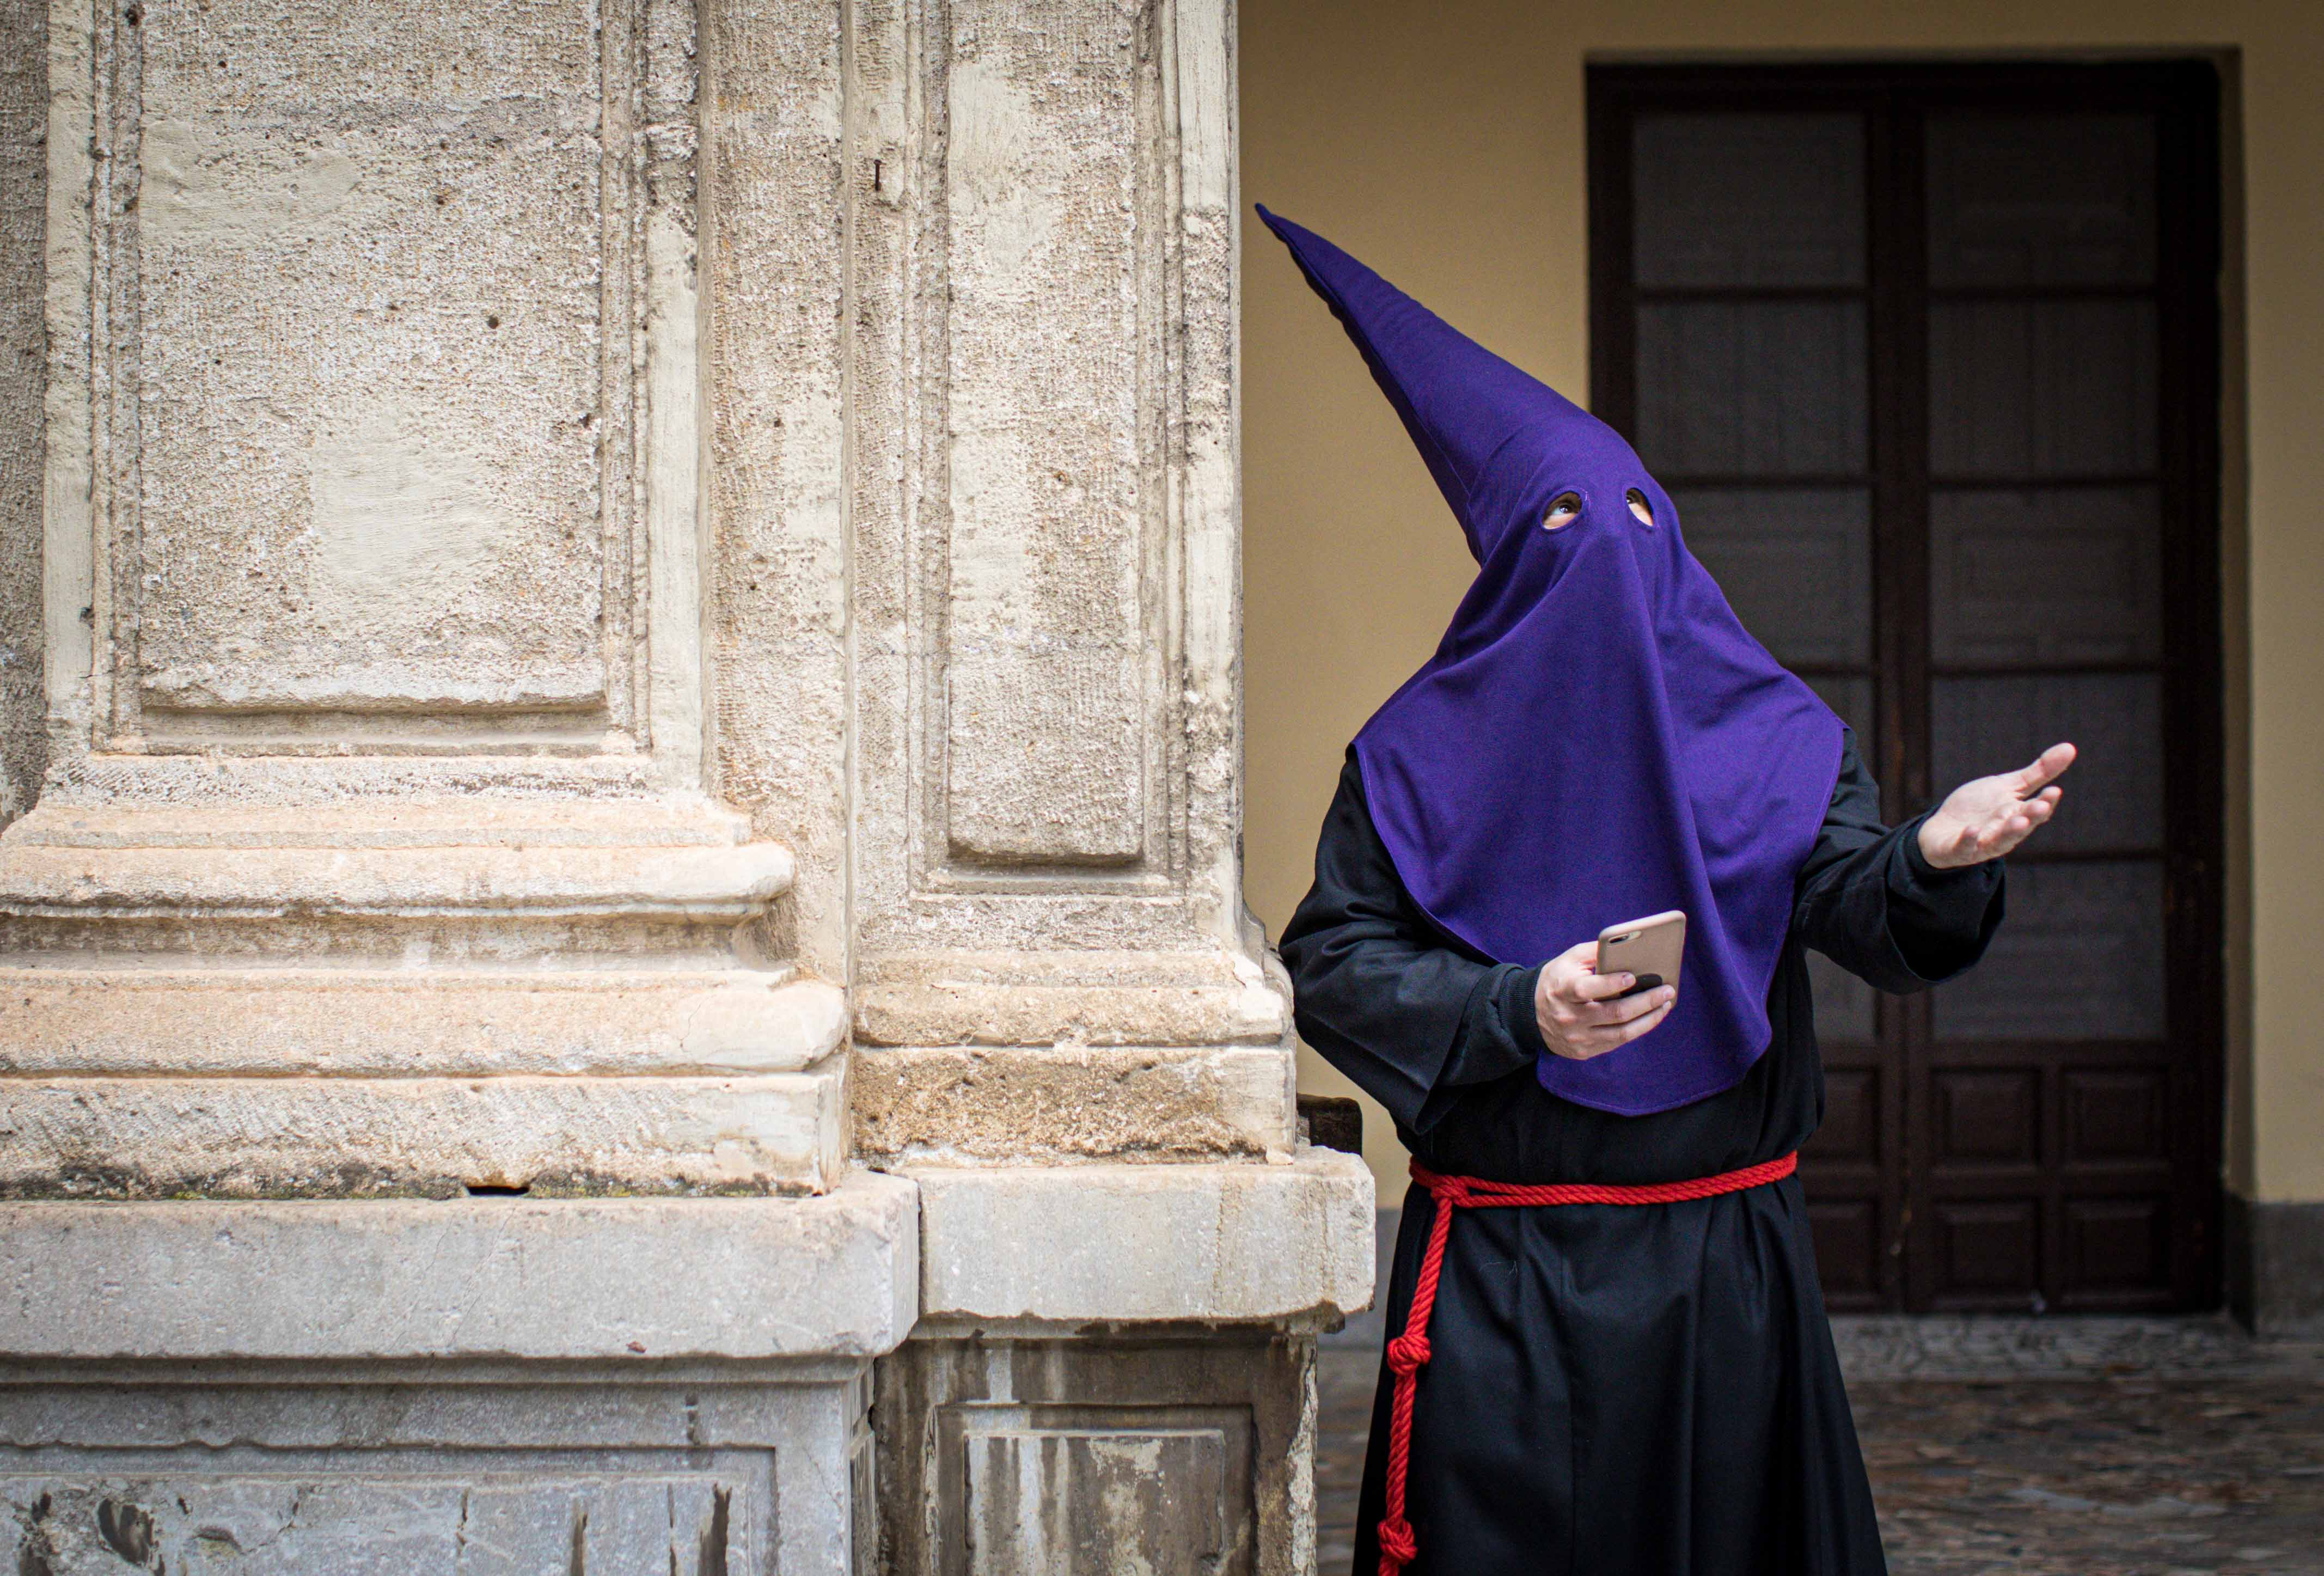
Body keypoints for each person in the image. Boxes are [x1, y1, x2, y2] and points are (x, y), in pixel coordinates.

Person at [1259, 206, 2074, 1576]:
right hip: (1506, 1290)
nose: (1609, 554)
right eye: (1567, 523)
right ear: (1514, 553)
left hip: (1723, 1280)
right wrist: (1522, 1007)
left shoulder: (1771, 729)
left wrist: (1931, 858)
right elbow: (1332, 958)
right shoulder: (1411, 756)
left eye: (1637, 519)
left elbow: (1852, 903)